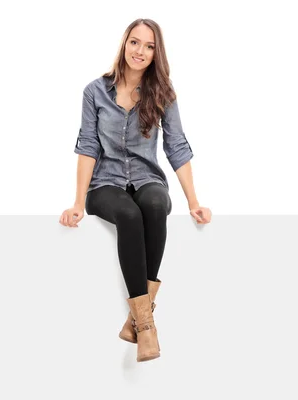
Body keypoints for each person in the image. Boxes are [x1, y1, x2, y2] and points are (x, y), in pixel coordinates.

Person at [59, 18, 212, 363]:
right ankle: (147, 328)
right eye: (135, 42)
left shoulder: (163, 93)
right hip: (105, 185)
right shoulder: (95, 91)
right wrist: (77, 202)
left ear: (157, 53)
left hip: (147, 178)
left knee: (156, 204)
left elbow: (177, 146)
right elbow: (87, 146)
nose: (140, 51)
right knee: (129, 215)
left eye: (149, 45)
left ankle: (137, 322)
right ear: (124, 44)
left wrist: (194, 202)